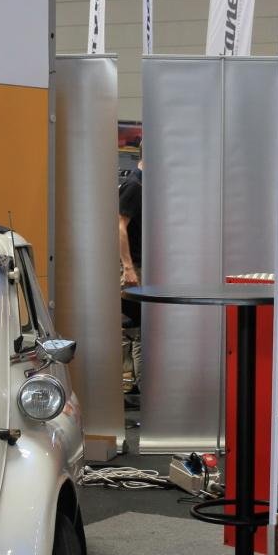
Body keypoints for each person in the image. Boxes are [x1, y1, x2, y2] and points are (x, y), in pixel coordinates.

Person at [119, 144, 144, 392]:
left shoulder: (142, 184)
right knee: (139, 330)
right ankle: (140, 387)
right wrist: (128, 267)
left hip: (140, 265)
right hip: (136, 266)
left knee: (139, 329)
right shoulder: (135, 185)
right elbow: (119, 225)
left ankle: (139, 386)